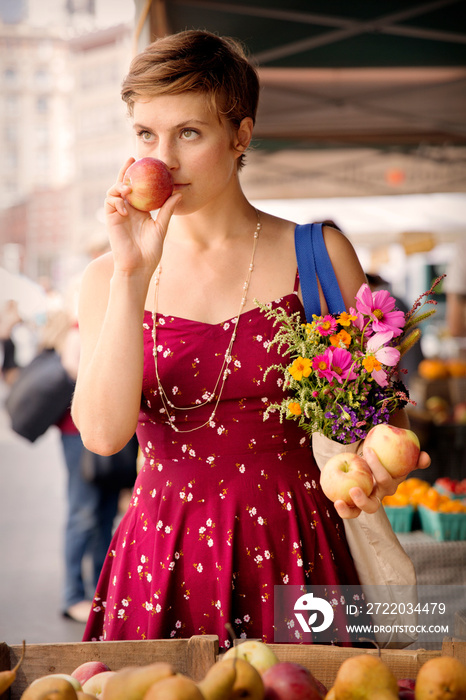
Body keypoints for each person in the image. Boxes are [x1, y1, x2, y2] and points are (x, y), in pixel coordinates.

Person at [71, 30, 430, 646]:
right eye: (145, 136)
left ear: (240, 135)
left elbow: (369, 421)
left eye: (189, 132)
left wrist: (378, 465)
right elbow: (104, 437)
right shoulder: (109, 275)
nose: (163, 160)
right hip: (163, 552)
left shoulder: (316, 254)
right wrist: (134, 273)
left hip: (297, 545)